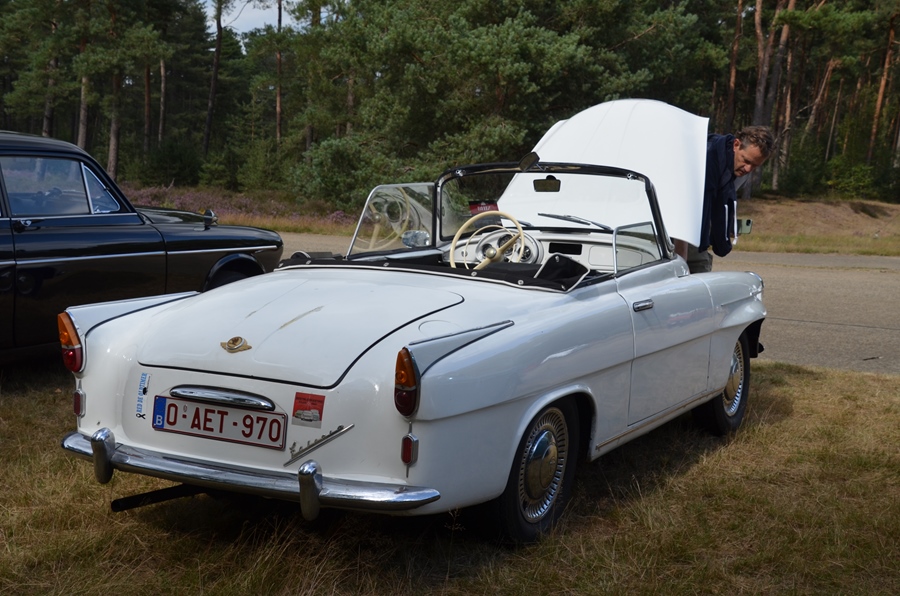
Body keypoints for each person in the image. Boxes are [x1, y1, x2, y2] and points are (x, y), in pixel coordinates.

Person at [675, 125, 774, 273]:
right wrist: (681, 260)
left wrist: (727, 226)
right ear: (736, 145)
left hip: (697, 236)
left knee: (701, 272)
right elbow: (681, 208)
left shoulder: (739, 170)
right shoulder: (704, 158)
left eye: (755, 165)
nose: (748, 169)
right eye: (746, 161)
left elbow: (720, 204)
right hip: (671, 233)